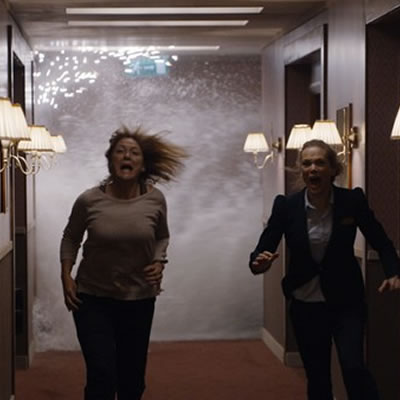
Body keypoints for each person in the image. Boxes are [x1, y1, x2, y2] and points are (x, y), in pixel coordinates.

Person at [249, 139, 400, 400]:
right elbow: (262, 249)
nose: (313, 169)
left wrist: (393, 272)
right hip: (305, 304)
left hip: (346, 302)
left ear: (332, 169)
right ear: (301, 170)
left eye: (320, 163)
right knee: (318, 377)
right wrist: (258, 262)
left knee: (354, 368)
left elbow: (382, 242)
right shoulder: (286, 206)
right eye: (307, 163)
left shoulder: (351, 201)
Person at [60, 126, 187, 400]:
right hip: (92, 298)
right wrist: (66, 275)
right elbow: (71, 237)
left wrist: (159, 261)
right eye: (120, 151)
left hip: (138, 299)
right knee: (101, 374)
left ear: (143, 165)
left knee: (132, 380)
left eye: (134, 153)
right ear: (110, 160)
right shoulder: (89, 200)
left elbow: (162, 236)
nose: (126, 156)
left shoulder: (155, 199)